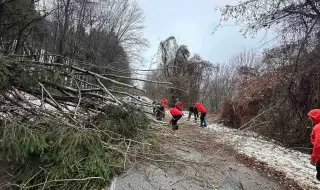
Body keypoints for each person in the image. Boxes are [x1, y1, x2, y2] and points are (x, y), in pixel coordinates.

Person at [308, 109, 320, 183]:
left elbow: (318, 144)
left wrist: (314, 158)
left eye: (311, 118)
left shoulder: (318, 127)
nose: (310, 119)